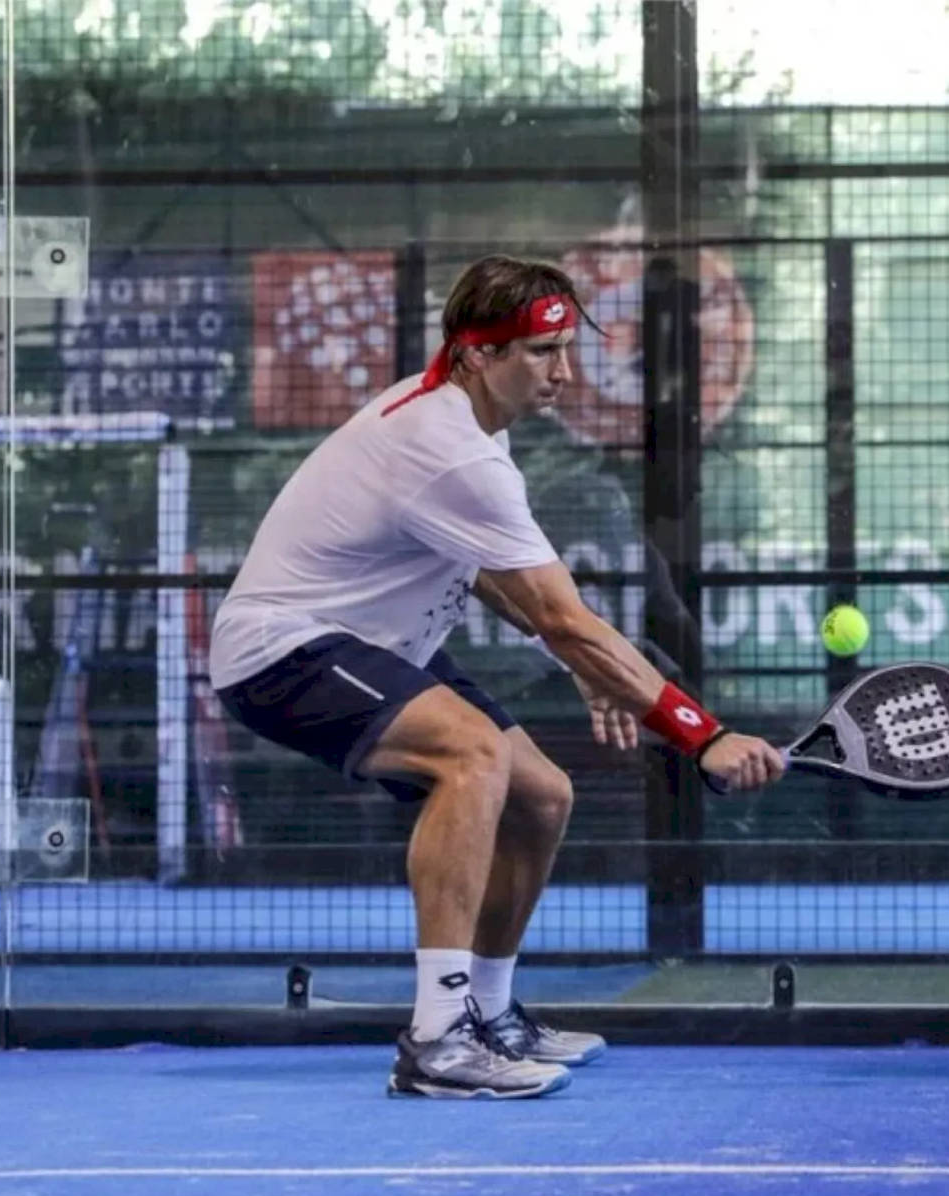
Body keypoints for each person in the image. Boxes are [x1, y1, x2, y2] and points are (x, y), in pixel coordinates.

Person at [211, 255, 784, 1099]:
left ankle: (490, 1011)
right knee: (473, 756)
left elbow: (501, 578)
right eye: (541, 352)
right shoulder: (448, 448)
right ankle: (436, 1041)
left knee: (542, 794)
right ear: (478, 354)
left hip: (372, 642)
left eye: (564, 349)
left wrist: (580, 659)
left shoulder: (470, 425)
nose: (564, 371)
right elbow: (561, 614)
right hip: (282, 651)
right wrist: (705, 737)